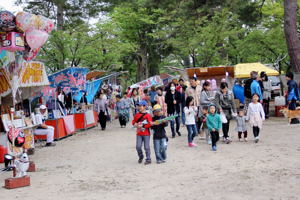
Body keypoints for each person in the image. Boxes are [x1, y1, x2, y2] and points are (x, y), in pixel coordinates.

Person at [132, 100, 153, 165]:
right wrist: (135, 124)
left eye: (141, 106)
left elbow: (150, 124)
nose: (139, 107)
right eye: (138, 106)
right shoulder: (137, 115)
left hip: (146, 133)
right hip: (139, 133)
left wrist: (143, 125)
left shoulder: (148, 115)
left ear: (145, 106)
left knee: (146, 147)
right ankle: (141, 156)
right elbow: (133, 121)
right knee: (138, 146)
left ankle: (148, 159)